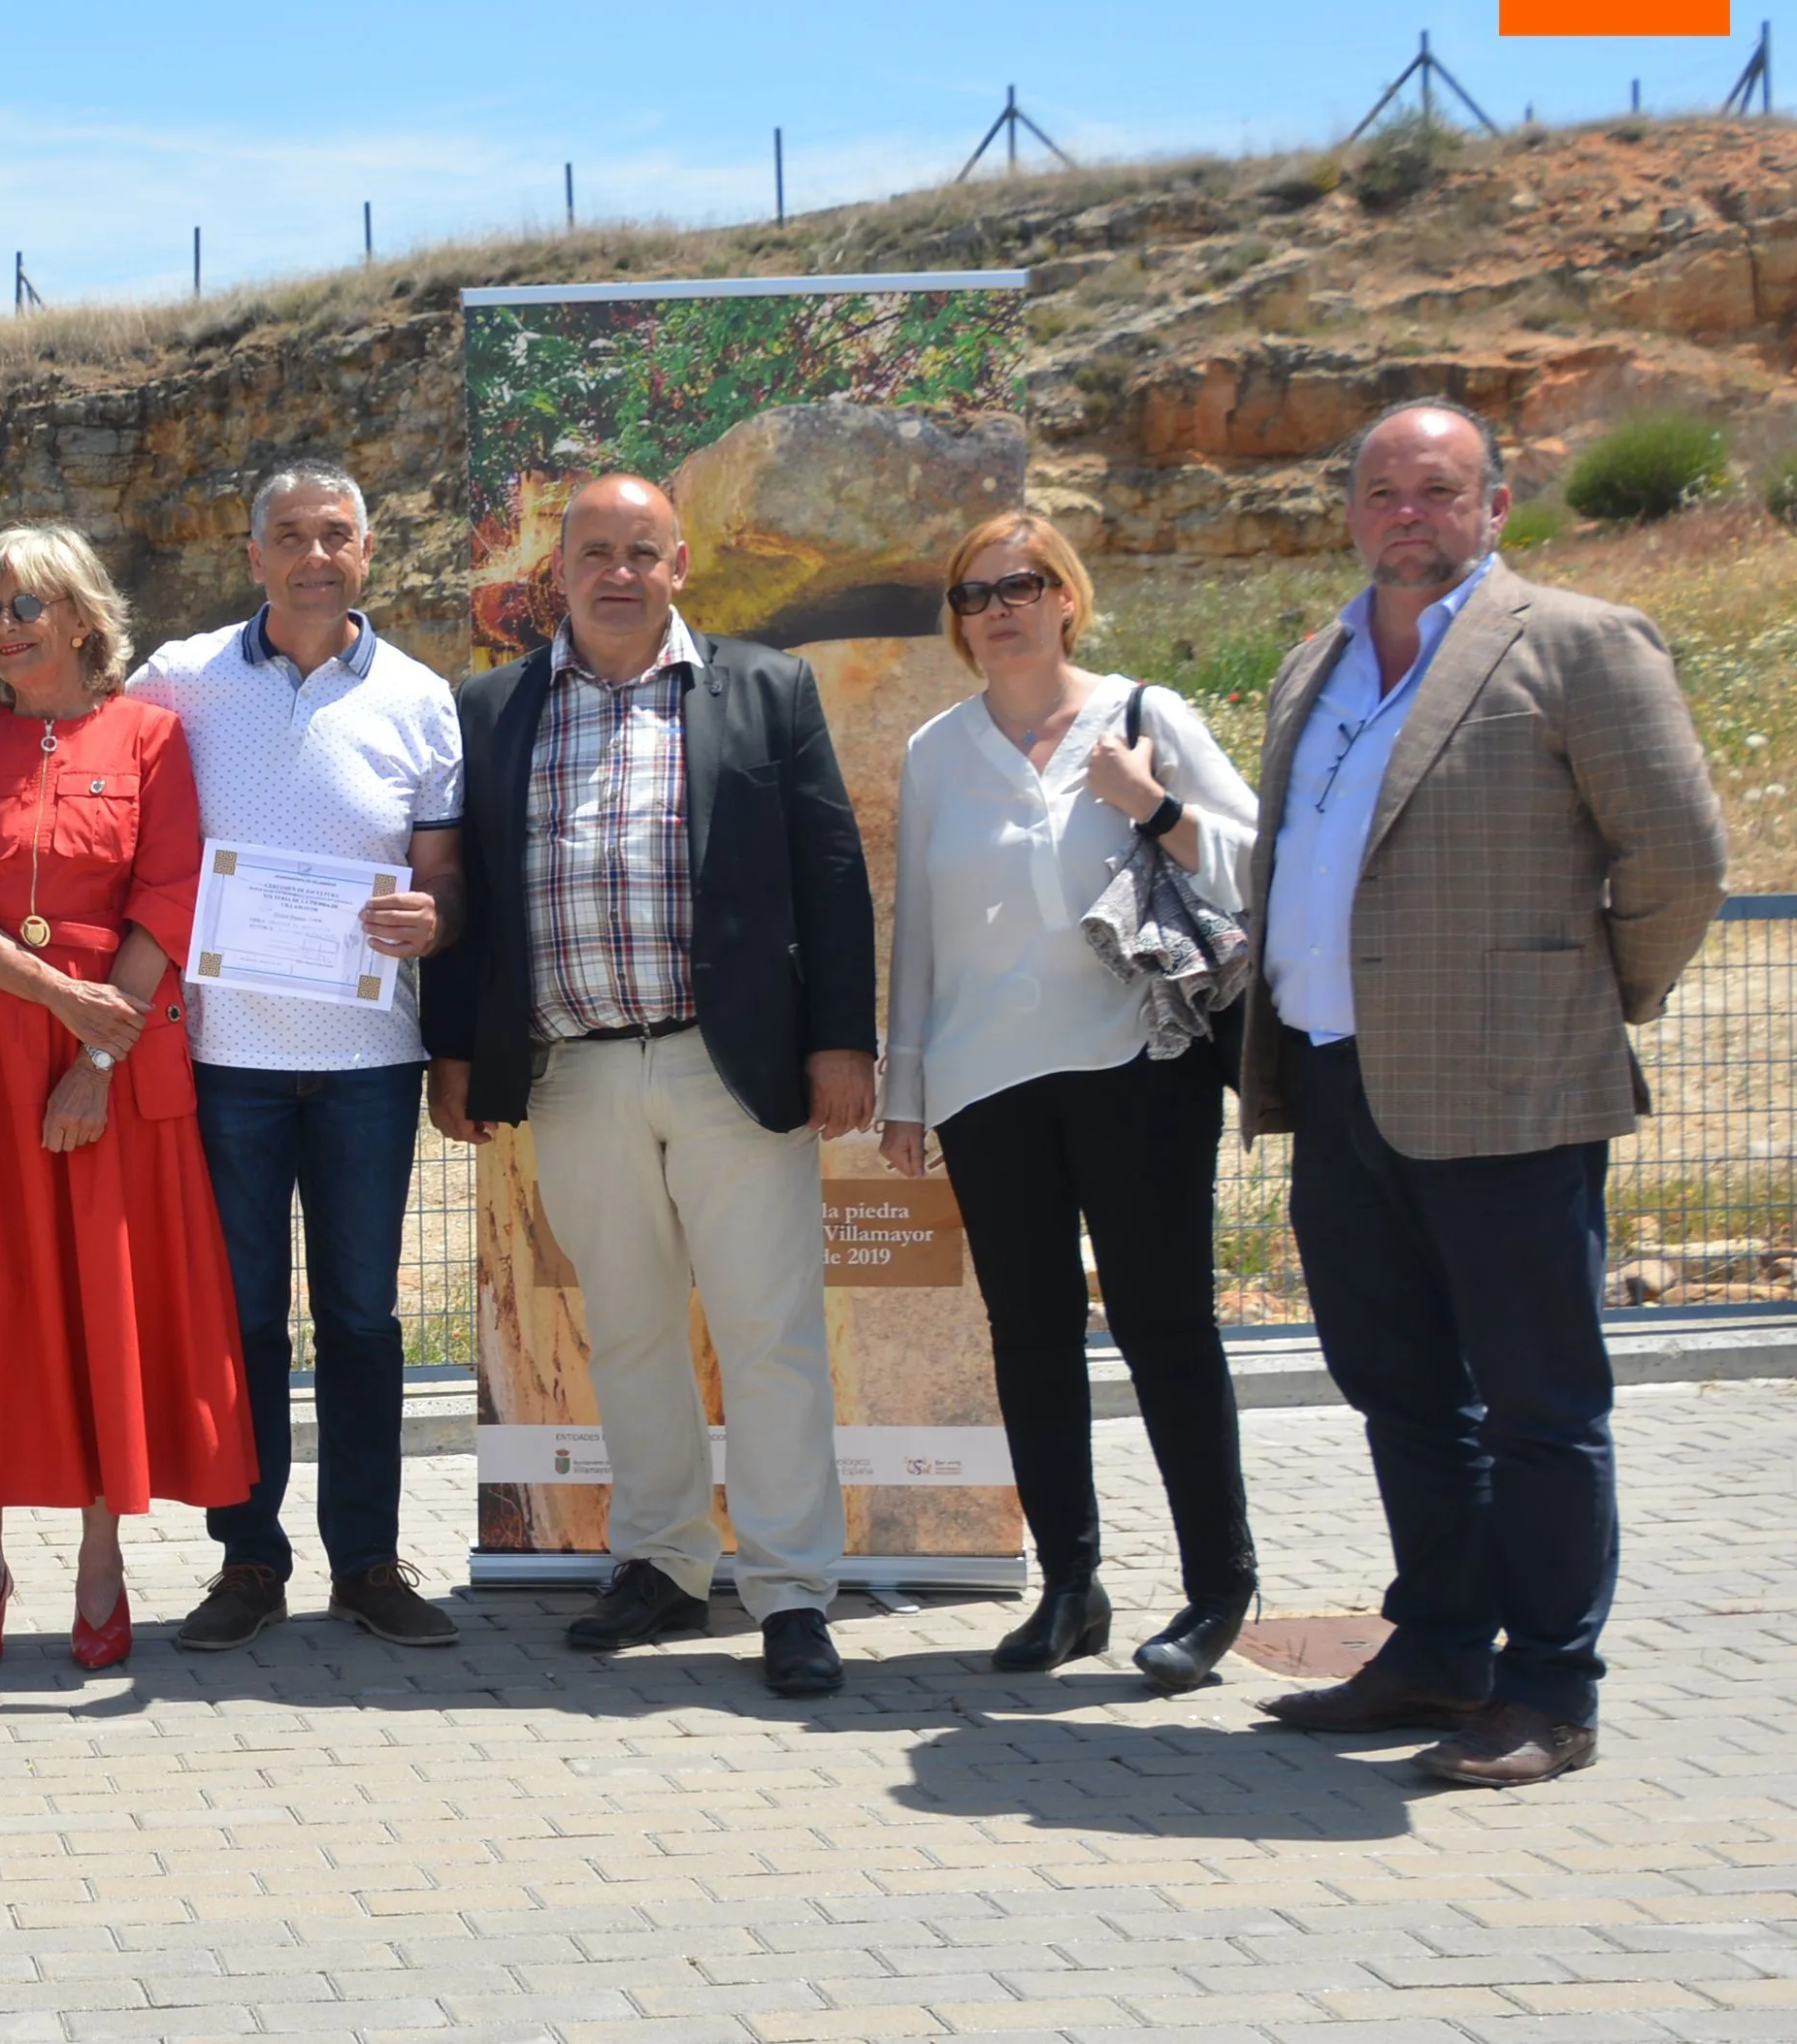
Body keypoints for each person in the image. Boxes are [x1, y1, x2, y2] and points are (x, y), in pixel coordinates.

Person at [1243, 401, 1724, 1788]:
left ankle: (1550, 1687)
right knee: (1396, 1388)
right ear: (1348, 509)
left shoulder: (1575, 641)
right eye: (1381, 489)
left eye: (1437, 489)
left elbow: (1678, 861)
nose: (1407, 511)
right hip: (1336, 1084)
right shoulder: (1311, 664)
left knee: (1538, 1403)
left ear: (1495, 504)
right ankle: (1439, 1644)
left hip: (1513, 1087)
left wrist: (1586, 998)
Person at [421, 473, 874, 1700]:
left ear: (681, 567)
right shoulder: (495, 705)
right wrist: (453, 1051)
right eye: (594, 552)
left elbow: (831, 870)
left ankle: (790, 1591)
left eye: (642, 551)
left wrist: (843, 1039)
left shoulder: (764, 687)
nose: (618, 572)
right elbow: (469, 904)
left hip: (731, 1066)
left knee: (768, 1332)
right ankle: (665, 1564)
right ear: (554, 573)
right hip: (572, 1070)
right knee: (625, 1330)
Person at [876, 509, 1261, 1689]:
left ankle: (1216, 1587)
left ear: (1067, 598)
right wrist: (908, 1087)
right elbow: (922, 935)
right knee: (1032, 1338)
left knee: (1166, 1328)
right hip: (988, 1081)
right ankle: (1070, 1585)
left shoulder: (1146, 715)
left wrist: (1151, 803)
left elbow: (1256, 861)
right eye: (975, 592)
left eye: (1022, 584)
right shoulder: (935, 753)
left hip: (1139, 1068)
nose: (999, 608)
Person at [0, 525, 253, 1673]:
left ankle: (102, 1560)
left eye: (29, 603)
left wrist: (97, 1050)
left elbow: (171, 891)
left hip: (116, 1053)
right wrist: (53, 993)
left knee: (105, 1301)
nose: (5, 625)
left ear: (84, 617)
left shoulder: (150, 737)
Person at [130, 466, 466, 1654]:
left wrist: (433, 919)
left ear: (368, 550)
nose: (314, 555)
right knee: (244, 1320)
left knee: (365, 1321)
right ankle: (249, 1557)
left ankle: (368, 1559)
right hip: (225, 1064)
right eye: (290, 536)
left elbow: (443, 877)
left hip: (370, 1062)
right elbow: (112, 794)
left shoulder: (424, 698)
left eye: (336, 536)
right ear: (253, 551)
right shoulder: (181, 677)